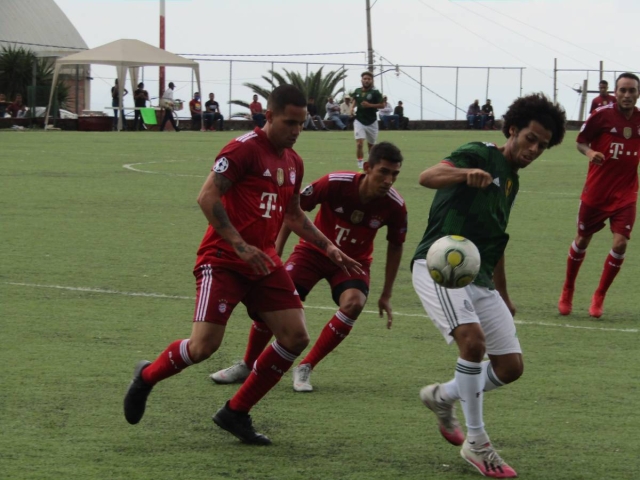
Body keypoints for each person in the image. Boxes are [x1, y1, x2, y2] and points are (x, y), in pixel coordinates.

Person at [123, 84, 363, 446]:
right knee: (204, 347)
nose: (297, 131)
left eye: (302, 124)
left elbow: (295, 215)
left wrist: (329, 248)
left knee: (295, 336)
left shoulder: (293, 163)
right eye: (289, 122)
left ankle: (235, 411)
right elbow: (207, 196)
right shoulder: (243, 149)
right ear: (268, 116)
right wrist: (238, 244)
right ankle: (147, 377)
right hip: (222, 260)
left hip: (263, 263)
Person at [411, 93, 566, 478]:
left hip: (476, 274)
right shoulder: (479, 152)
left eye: (542, 147)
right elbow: (426, 176)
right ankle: (477, 443)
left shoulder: (511, 182)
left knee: (511, 366)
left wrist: (504, 294)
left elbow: (494, 242)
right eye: (530, 138)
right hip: (438, 265)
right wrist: (466, 174)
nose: (534, 149)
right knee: (473, 342)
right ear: (512, 129)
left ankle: (442, 396)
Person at [210, 142, 407, 392]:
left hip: (351, 263)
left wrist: (386, 294)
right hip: (312, 253)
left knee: (354, 303)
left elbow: (396, 246)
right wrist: (276, 247)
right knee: (274, 302)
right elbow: (293, 210)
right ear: (367, 167)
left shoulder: (395, 206)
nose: (389, 180)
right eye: (384, 172)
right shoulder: (336, 182)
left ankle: (306, 366)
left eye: (394, 174)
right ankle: (248, 364)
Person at [558, 72, 640, 318]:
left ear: (638, 94)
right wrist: (590, 153)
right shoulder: (601, 116)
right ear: (615, 93)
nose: (627, 95)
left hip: (626, 193)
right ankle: (568, 289)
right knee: (582, 240)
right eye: (623, 90)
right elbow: (581, 142)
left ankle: (599, 295)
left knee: (621, 242)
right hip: (596, 193)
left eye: (632, 90)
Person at [351, 71, 384, 170]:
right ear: (361, 80)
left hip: (372, 122)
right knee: (359, 143)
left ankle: (370, 163)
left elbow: (382, 105)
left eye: (368, 79)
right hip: (359, 120)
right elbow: (355, 100)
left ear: (372, 81)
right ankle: (360, 163)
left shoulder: (375, 93)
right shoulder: (357, 91)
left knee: (371, 147)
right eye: (365, 79)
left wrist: (370, 105)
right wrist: (352, 108)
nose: (366, 81)